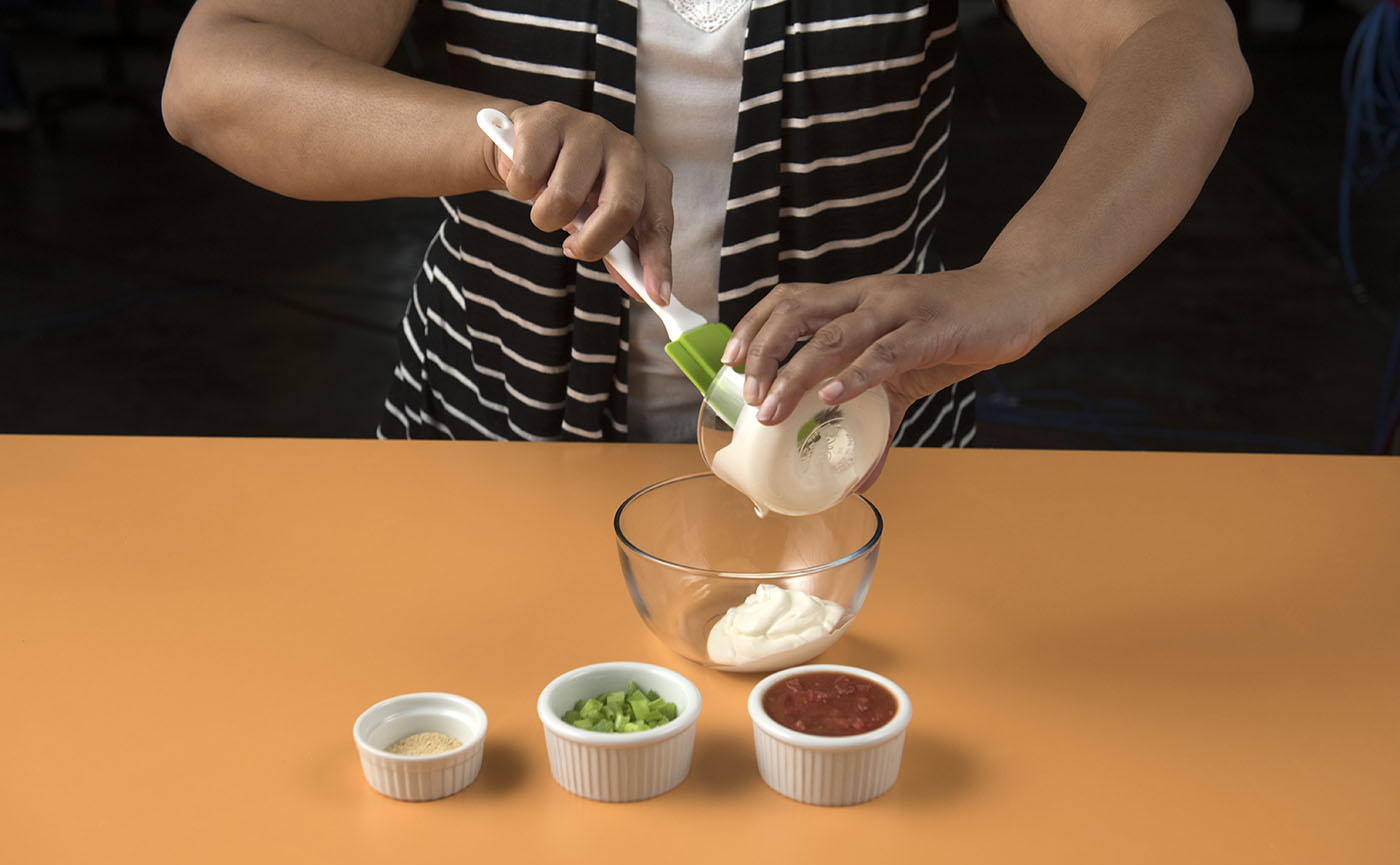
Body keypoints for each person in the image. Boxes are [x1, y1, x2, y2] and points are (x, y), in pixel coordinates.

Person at [161, 0, 1251, 471]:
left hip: (867, 476)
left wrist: (1021, 280)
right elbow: (219, 74)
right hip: (482, 457)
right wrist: (490, 138)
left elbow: (1179, 43)